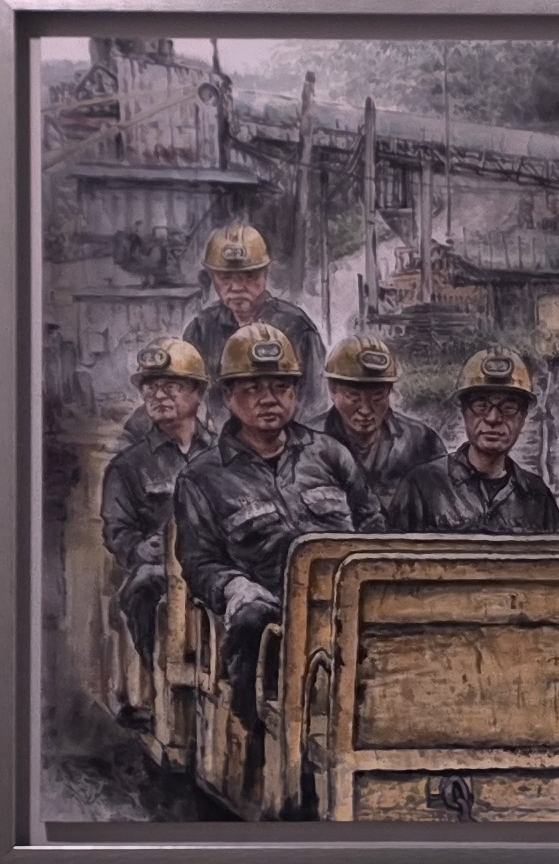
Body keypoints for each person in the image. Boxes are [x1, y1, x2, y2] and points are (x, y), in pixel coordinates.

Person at [167, 323, 367, 715]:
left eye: (280, 387)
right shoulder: (202, 477)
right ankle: (256, 738)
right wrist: (235, 587)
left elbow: (372, 523)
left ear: (296, 393)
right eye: (253, 388)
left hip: (345, 602)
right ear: (228, 396)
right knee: (252, 622)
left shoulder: (331, 455)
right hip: (269, 612)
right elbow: (199, 560)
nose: (269, 399)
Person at [98, 338, 211, 717]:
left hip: (218, 565)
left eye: (171, 386)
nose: (159, 395)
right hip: (162, 570)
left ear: (198, 393)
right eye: (150, 387)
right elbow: (118, 533)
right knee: (142, 585)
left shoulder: (225, 455)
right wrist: (147, 551)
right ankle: (154, 685)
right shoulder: (128, 466)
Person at [392, 346, 559, 535]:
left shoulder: (537, 495)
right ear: (464, 411)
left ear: (522, 417)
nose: (493, 418)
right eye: (481, 405)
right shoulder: (422, 485)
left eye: (508, 408)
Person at [179, 222, 325, 435]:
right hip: (220, 446)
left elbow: (313, 404)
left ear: (265, 274)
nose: (237, 287)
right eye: (225, 277)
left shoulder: (296, 326)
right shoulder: (201, 329)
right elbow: (188, 398)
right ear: (211, 277)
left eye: (249, 276)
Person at [318, 335, 441, 525]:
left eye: (377, 396)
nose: (366, 409)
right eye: (353, 396)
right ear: (333, 391)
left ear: (389, 391)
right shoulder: (306, 441)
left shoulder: (421, 440)